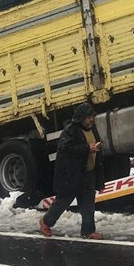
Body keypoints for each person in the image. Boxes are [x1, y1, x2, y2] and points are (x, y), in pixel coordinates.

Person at [40, 102, 106, 239]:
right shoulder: (71, 130)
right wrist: (87, 149)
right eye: (88, 117)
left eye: (92, 117)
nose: (91, 120)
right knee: (63, 202)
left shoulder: (92, 129)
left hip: (88, 173)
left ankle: (88, 231)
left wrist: (99, 179)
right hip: (71, 175)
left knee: (88, 205)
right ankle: (46, 222)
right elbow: (66, 149)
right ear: (81, 118)